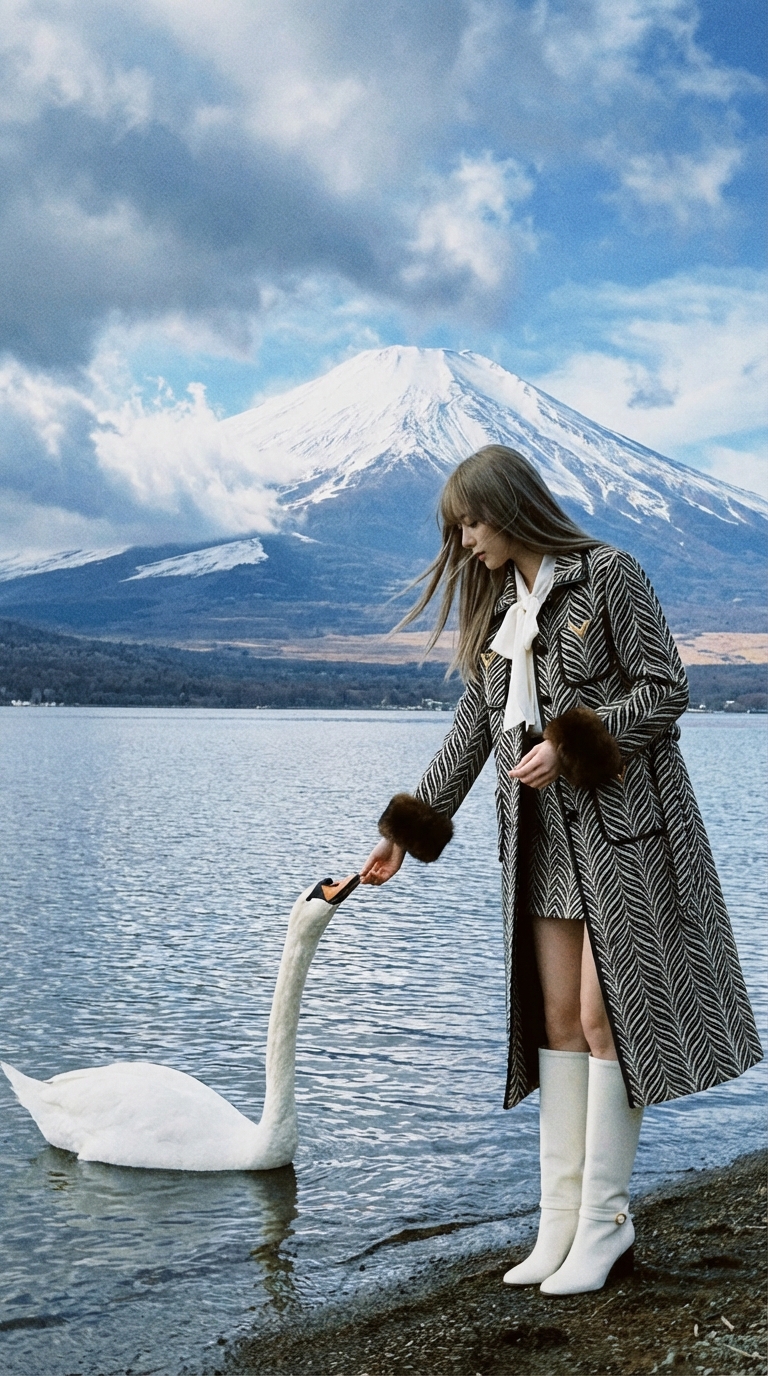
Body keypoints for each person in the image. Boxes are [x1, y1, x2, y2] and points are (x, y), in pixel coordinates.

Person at [360, 444, 762, 1296]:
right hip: (542, 839)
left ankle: (606, 1224)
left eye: (470, 521)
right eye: (456, 527)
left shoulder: (611, 574)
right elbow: (475, 727)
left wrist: (568, 745)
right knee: (555, 1023)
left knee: (603, 1014)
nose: (464, 540)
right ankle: (559, 1224)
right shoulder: (503, 605)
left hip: (625, 834)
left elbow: (665, 689)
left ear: (508, 508)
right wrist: (407, 829)